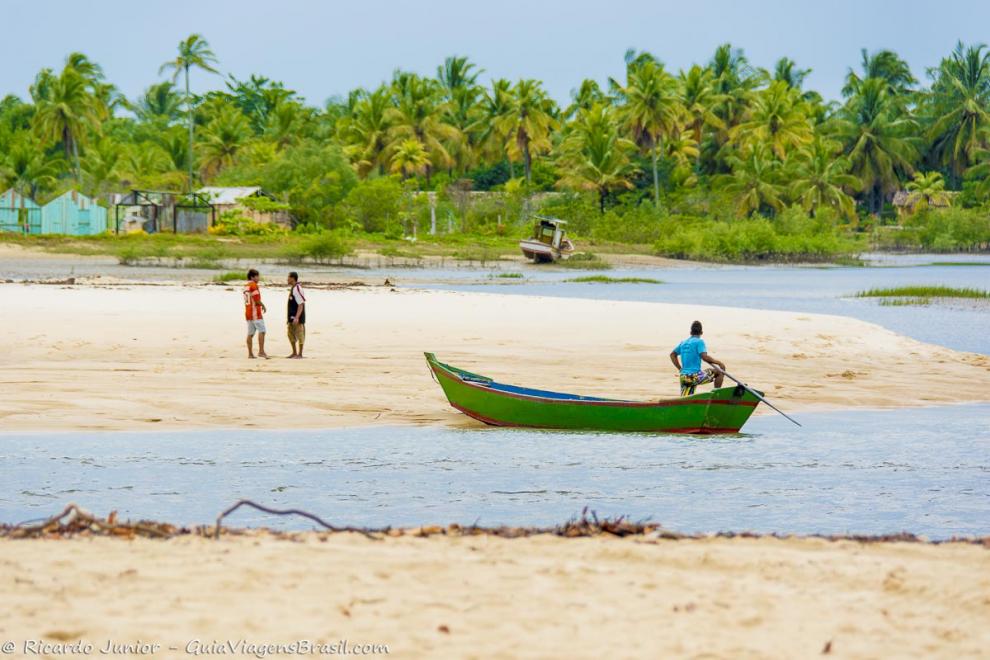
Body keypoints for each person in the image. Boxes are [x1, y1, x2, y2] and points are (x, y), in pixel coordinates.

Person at [670, 320, 725, 396]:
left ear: (690, 332)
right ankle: (716, 395)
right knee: (719, 372)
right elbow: (704, 357)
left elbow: (672, 354)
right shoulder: (699, 342)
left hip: (684, 377)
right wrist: (719, 363)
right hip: (694, 376)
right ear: (701, 332)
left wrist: (680, 368)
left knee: (686, 399)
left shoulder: (683, 343)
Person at [244, 268, 268, 359]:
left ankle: (250, 354)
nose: (258, 278)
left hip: (248, 313)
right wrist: (263, 306)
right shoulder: (253, 285)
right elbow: (257, 300)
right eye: (257, 276)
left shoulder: (246, 286)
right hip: (255, 313)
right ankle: (261, 351)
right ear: (252, 277)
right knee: (262, 331)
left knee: (250, 333)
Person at [286, 271, 306, 359]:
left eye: (288, 277)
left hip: (297, 317)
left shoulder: (298, 288)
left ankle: (300, 354)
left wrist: (297, 317)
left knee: (300, 334)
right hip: (291, 316)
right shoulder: (293, 288)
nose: (287, 279)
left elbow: (301, 305)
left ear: (292, 278)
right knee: (290, 334)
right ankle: (294, 352)